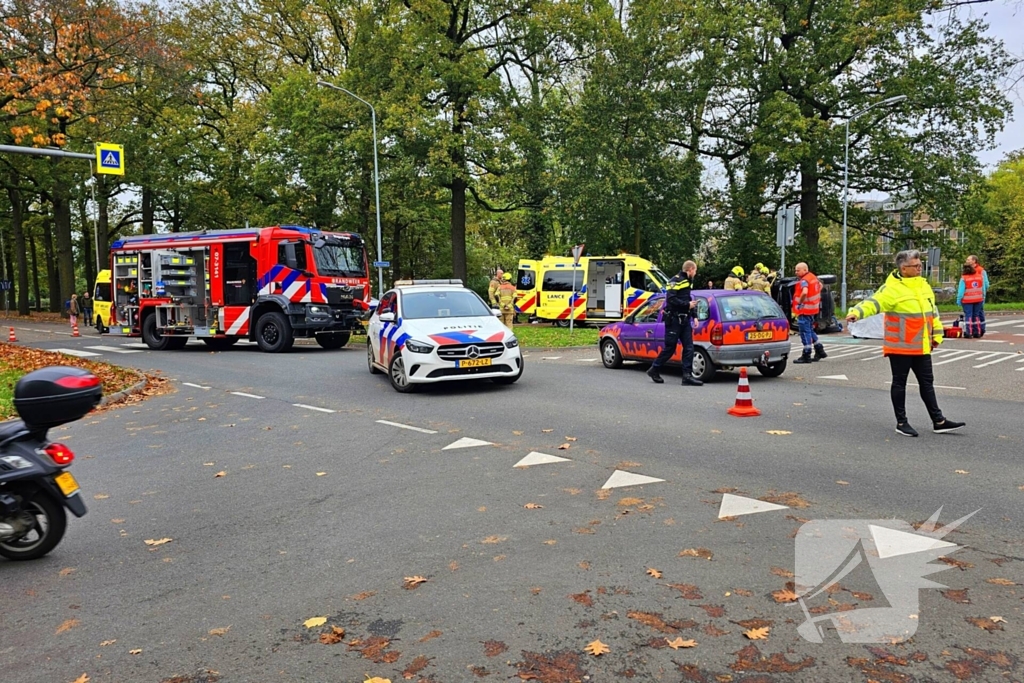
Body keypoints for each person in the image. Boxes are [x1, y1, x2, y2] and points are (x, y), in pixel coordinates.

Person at [846, 249, 965, 437]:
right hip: (900, 345)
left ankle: (938, 421)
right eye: (916, 266)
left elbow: (932, 313)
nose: (920, 268)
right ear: (903, 268)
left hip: (921, 345)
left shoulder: (923, 286)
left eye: (920, 265)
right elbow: (873, 302)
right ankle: (901, 422)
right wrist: (856, 312)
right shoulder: (891, 288)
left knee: (927, 383)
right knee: (899, 383)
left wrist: (937, 335)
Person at [647, 260, 702, 386]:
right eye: (695, 270)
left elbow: (688, 299)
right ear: (690, 269)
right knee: (670, 348)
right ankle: (654, 369)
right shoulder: (674, 281)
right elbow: (671, 300)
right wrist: (687, 305)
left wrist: (694, 316)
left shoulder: (688, 281)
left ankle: (687, 376)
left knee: (689, 347)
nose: (696, 273)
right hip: (674, 320)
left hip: (685, 319)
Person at [792, 262, 828, 364]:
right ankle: (819, 350)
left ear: (804, 270)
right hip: (813, 309)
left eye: (798, 270)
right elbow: (820, 285)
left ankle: (806, 354)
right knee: (810, 330)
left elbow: (804, 292)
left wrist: (800, 302)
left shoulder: (804, 280)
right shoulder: (813, 277)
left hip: (805, 310)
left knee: (805, 331)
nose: (796, 272)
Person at [964, 254, 988, 337]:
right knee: (976, 314)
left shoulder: (981, 270)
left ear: (974, 261)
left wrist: (983, 294)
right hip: (975, 296)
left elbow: (985, 283)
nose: (967, 261)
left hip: (979, 295)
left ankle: (981, 329)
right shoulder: (968, 270)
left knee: (978, 313)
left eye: (968, 259)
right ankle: (977, 330)